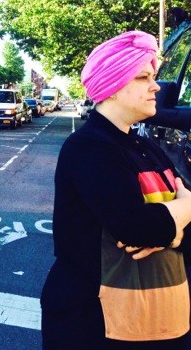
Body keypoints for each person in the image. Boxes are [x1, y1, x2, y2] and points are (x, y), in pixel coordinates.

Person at [41, 30, 191, 349]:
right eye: (143, 77)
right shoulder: (89, 148)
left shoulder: (147, 147)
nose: (156, 86)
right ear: (111, 87)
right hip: (94, 324)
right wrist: (184, 209)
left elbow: (161, 231)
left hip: (158, 322)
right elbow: (136, 227)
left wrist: (170, 230)